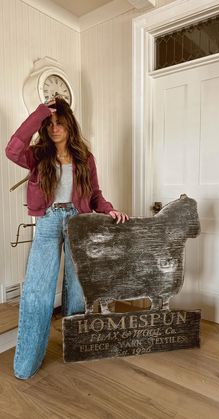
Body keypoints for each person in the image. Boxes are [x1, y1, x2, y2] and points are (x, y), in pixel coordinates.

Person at [5, 96, 129, 380]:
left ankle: (76, 348)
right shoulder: (38, 155)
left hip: (79, 222)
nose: (54, 128)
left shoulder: (85, 158)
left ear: (70, 125)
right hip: (48, 222)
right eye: (49, 124)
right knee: (37, 291)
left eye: (59, 123)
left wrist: (109, 210)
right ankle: (27, 364)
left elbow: (95, 194)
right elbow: (12, 149)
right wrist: (39, 114)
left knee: (77, 291)